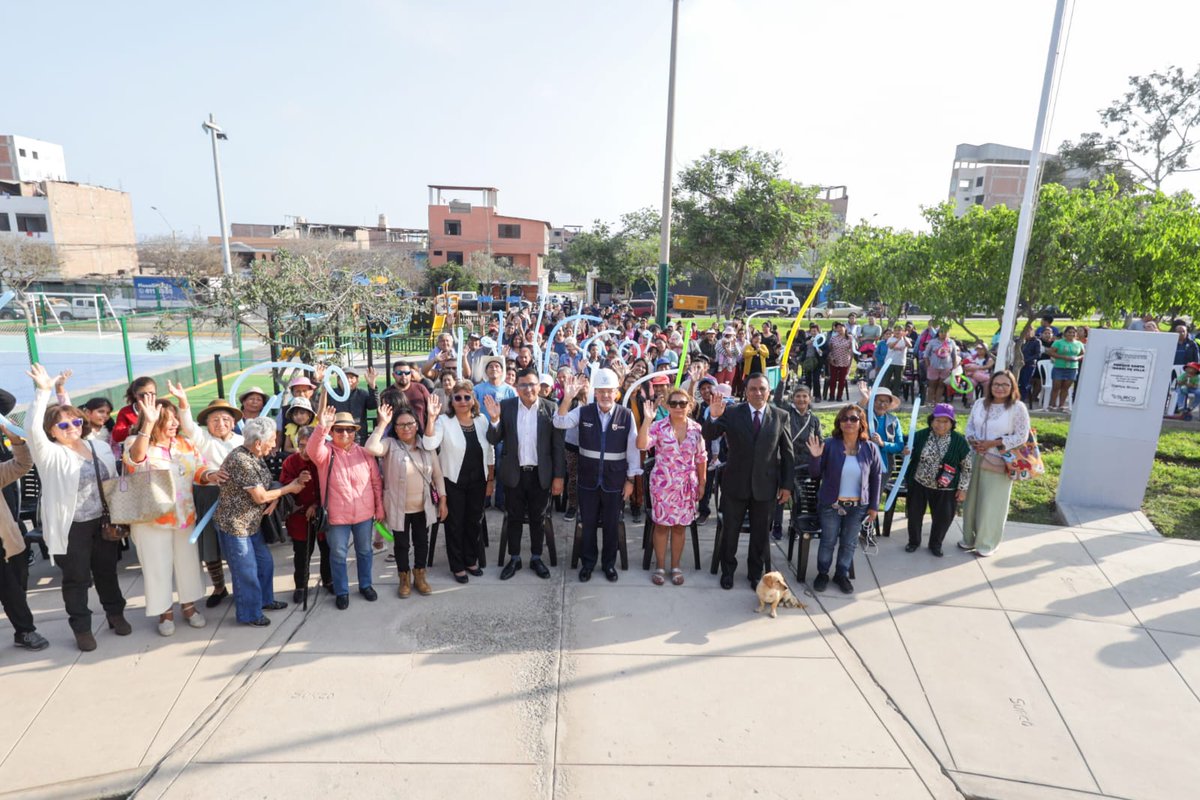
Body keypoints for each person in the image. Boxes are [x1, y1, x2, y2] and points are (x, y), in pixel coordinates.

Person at [25, 364, 129, 651]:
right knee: (77, 578)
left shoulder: (99, 447)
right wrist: (43, 392)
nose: (72, 428)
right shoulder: (50, 454)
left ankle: (115, 613)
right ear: (52, 431)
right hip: (72, 526)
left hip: (103, 521)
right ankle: (82, 627)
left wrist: (63, 395)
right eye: (63, 425)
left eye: (76, 423)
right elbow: (31, 429)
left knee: (107, 571)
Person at [123, 396, 223, 635]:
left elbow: (198, 469)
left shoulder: (184, 444)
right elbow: (135, 461)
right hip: (151, 520)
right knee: (157, 567)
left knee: (188, 563)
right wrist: (147, 425)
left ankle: (189, 606)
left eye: (175, 419)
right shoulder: (136, 442)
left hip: (184, 516)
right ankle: (164, 612)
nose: (174, 424)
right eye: (167, 420)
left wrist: (210, 475)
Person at [703, 373, 793, 591]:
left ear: (769, 391)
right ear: (746, 391)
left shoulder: (781, 416)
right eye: (753, 389)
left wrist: (787, 486)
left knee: (761, 534)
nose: (758, 393)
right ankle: (728, 572)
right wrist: (713, 417)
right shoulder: (733, 413)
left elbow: (787, 453)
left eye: (762, 388)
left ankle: (755, 574)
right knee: (730, 531)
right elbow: (709, 434)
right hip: (735, 484)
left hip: (765, 486)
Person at [215, 417, 309, 625]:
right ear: (258, 443)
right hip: (236, 526)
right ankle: (249, 613)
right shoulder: (242, 461)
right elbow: (259, 496)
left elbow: (267, 485)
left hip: (252, 524)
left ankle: (265, 600)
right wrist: (288, 489)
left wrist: (274, 495)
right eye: (272, 440)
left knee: (265, 564)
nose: (275, 444)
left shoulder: (255, 456)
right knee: (246, 572)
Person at [554, 369, 640, 583]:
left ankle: (609, 564)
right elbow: (559, 422)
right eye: (601, 391)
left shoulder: (626, 415)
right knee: (588, 524)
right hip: (588, 480)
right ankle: (588, 563)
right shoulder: (583, 411)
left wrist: (630, 480)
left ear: (616, 393)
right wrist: (567, 398)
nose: (605, 396)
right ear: (595, 393)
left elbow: (632, 450)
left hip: (614, 481)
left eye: (609, 392)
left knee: (611, 525)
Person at [484, 367, 566, 580]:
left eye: (532, 384)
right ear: (516, 388)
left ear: (539, 386)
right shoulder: (508, 407)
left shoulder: (550, 408)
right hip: (514, 473)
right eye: (523, 385)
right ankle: (514, 558)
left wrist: (558, 477)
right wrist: (494, 420)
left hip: (541, 475)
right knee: (514, 518)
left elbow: (557, 446)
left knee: (538, 518)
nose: (528, 389)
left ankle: (537, 557)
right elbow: (494, 439)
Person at [307, 407, 385, 608]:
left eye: (349, 430)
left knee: (365, 551)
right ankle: (342, 591)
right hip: (337, 516)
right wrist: (322, 427)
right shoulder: (326, 454)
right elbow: (312, 450)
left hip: (364, 514)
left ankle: (365, 585)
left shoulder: (365, 453)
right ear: (332, 432)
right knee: (338, 554)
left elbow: (376, 481)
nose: (345, 434)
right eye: (339, 430)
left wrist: (379, 507)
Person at [367, 404, 447, 596]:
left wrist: (443, 500)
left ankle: (420, 576)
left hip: (423, 506)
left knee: (422, 542)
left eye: (410, 423)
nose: (406, 428)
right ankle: (404, 578)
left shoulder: (426, 445)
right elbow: (370, 448)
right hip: (398, 507)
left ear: (416, 425)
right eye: (400, 425)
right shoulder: (389, 444)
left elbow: (437, 475)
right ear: (395, 428)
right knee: (401, 545)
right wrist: (382, 424)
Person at [175, 394, 244, 609]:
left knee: (238, 546)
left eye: (225, 419)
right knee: (210, 546)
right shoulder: (202, 438)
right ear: (207, 423)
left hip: (237, 498)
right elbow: (187, 425)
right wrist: (184, 403)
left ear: (233, 422)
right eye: (215, 420)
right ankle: (219, 587)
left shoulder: (242, 441)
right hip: (208, 496)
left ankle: (241, 588)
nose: (220, 424)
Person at [805, 404, 883, 594]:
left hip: (857, 506)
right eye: (844, 418)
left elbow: (876, 477)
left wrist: (873, 506)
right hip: (831, 504)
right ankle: (823, 573)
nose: (849, 422)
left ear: (861, 423)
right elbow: (814, 473)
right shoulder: (830, 444)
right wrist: (815, 457)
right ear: (839, 423)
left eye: (853, 419)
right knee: (828, 541)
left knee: (849, 543)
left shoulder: (870, 448)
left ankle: (841, 574)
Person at [424, 382, 494, 583]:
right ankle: (457, 565)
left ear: (473, 400)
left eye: (467, 397)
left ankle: (470, 560)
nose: (462, 401)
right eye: (458, 397)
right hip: (453, 480)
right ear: (451, 401)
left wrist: (490, 479)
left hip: (478, 481)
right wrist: (430, 417)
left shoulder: (481, 420)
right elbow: (429, 443)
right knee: (455, 524)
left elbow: (490, 451)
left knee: (474, 521)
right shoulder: (443, 421)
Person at [637, 388, 705, 586]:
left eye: (682, 403)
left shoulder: (696, 429)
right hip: (662, 486)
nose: (678, 407)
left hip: (686, 486)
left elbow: (701, 458)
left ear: (689, 406)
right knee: (661, 526)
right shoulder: (658, 426)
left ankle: (675, 566)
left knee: (679, 527)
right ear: (667, 406)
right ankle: (659, 566)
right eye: (673, 403)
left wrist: (702, 483)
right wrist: (647, 420)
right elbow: (641, 445)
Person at [961, 370, 1030, 557]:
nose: (1000, 388)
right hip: (976, 456)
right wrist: (974, 441)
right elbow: (969, 427)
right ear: (990, 386)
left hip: (1000, 461)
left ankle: (987, 543)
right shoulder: (979, 404)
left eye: (1005, 385)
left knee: (992, 503)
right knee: (971, 500)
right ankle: (968, 538)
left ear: (1012, 387)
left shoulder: (1017, 408)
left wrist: (994, 443)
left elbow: (1021, 436)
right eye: (996, 384)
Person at [0, 425, 48, 651]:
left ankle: (24, 630)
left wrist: (17, 443)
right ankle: (26, 630)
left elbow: (22, 465)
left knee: (15, 587)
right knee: (10, 588)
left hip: (6, 541)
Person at [902, 404, 972, 557]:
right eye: (937, 420)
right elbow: (904, 448)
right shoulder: (920, 435)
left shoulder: (959, 441)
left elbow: (967, 466)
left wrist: (963, 488)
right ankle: (913, 541)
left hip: (946, 488)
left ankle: (936, 544)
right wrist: (904, 450)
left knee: (943, 518)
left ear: (952, 423)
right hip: (919, 483)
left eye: (945, 421)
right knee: (914, 514)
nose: (941, 425)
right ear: (931, 420)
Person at [279, 425, 329, 602]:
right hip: (300, 516)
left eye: (309, 446)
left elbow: (330, 487)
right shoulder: (290, 462)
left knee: (327, 550)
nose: (305, 450)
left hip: (322, 513)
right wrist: (296, 482)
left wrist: (316, 505)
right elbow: (284, 487)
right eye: (301, 445)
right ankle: (301, 585)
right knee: (302, 553)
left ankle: (328, 581)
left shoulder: (322, 460)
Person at [774, 384, 821, 539]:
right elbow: (778, 399)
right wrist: (782, 380)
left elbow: (819, 440)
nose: (801, 399)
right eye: (798, 396)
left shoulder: (814, 419)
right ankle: (777, 525)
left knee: (798, 499)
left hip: (805, 465)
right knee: (781, 496)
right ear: (793, 398)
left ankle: (794, 525)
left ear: (810, 398)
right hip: (786, 463)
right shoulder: (787, 413)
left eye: (804, 396)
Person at [330, 367, 379, 443]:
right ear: (338, 380)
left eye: (352, 378)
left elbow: (374, 405)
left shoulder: (362, 394)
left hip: (359, 437)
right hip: (338, 435)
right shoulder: (331, 394)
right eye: (345, 378)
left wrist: (372, 387)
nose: (348, 380)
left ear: (357, 381)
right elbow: (316, 403)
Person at [1048, 326, 1085, 412]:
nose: (1071, 334)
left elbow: (1083, 354)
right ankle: (1052, 405)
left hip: (1072, 368)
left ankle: (1061, 406)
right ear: (1065, 333)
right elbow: (1051, 352)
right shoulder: (1058, 342)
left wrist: (1077, 358)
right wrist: (1063, 357)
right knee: (1056, 387)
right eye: (1069, 332)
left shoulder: (1079, 344)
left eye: (1073, 332)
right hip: (1059, 367)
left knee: (1065, 388)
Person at [111, 376, 157, 445]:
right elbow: (117, 436)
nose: (147, 398)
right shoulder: (126, 412)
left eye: (152, 394)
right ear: (135, 394)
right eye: (143, 395)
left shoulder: (161, 407)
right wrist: (135, 429)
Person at [922, 327, 961, 405]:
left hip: (946, 367)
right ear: (938, 333)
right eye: (941, 332)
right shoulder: (932, 342)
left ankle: (937, 402)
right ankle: (929, 402)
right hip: (934, 367)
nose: (943, 334)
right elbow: (926, 355)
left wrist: (954, 367)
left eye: (945, 332)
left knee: (941, 385)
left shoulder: (951, 342)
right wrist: (928, 365)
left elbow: (954, 355)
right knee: (932, 385)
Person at [824, 321, 854, 402]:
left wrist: (850, 361)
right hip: (834, 361)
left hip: (844, 362)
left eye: (841, 327)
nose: (839, 329)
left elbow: (853, 349)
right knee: (833, 379)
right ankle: (831, 396)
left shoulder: (850, 338)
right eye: (837, 327)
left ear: (845, 328)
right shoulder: (833, 338)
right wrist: (830, 358)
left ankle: (839, 396)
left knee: (842, 380)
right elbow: (829, 349)